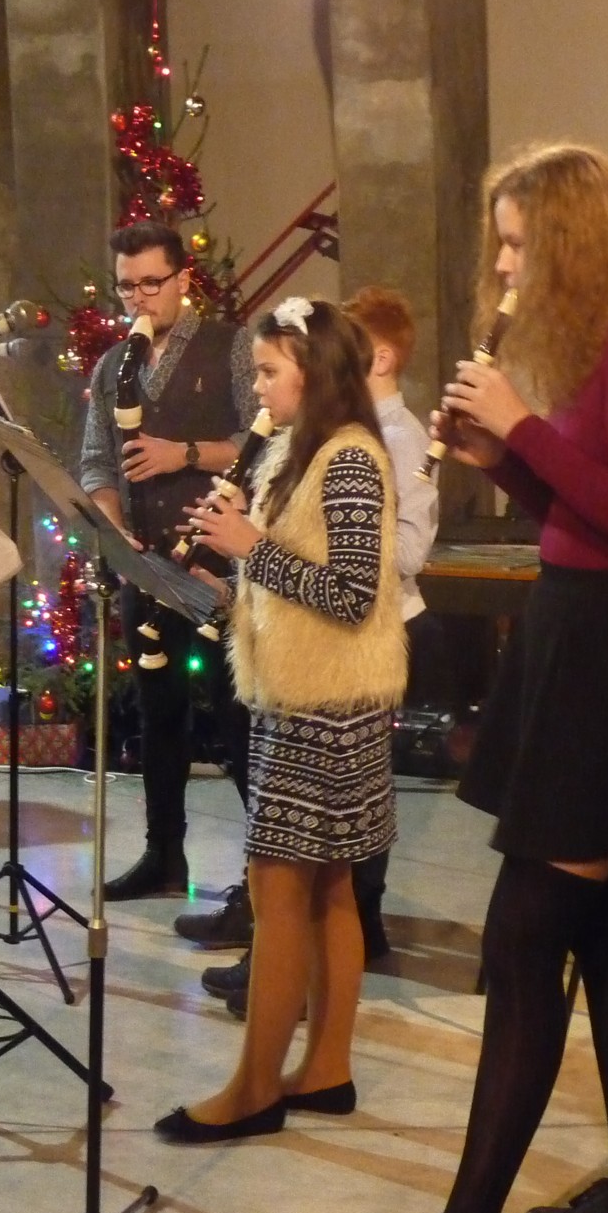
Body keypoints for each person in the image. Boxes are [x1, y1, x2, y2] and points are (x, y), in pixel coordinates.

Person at [348, 143, 608, 1213]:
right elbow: (585, 514)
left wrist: (523, 424)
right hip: (588, 639)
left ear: (571, 241)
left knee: (522, 944)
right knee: (606, 934)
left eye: (518, 244)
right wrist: (506, 462)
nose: (505, 267)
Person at [154, 296, 407, 1143]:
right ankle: (326, 1069)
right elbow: (293, 579)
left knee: (279, 891)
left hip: (325, 709)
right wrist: (227, 585)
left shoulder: (350, 459)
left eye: (268, 372)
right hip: (299, 696)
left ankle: (255, 1088)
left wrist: (249, 548)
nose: (257, 388)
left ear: (316, 372)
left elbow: (350, 594)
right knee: (328, 889)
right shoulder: (299, 454)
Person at [79, 222, 255, 901]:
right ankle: (163, 854)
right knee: (158, 714)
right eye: (127, 286)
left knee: (237, 716)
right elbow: (97, 461)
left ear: (184, 278)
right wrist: (113, 529)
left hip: (219, 563)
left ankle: (264, 874)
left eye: (152, 283)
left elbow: (260, 441)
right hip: (147, 566)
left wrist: (182, 454)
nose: (139, 298)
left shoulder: (231, 346)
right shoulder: (112, 366)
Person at [342, 286, 441, 959]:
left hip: (385, 625)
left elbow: (408, 553)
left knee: (363, 781)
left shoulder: (402, 439)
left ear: (379, 358)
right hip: (343, 623)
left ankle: (362, 920)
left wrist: (333, 538)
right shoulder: (347, 430)